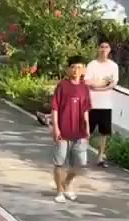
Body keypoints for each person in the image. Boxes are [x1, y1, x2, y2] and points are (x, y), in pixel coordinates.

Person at [51, 56, 91, 203]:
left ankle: (67, 183)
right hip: (63, 130)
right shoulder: (62, 86)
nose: (76, 70)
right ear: (69, 69)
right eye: (73, 67)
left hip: (79, 132)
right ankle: (59, 191)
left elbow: (86, 109)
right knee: (59, 163)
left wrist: (88, 127)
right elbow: (55, 108)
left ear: (84, 70)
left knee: (80, 162)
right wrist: (56, 128)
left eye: (79, 67)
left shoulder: (84, 88)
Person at [85, 42, 119, 168]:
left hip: (106, 104)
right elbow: (88, 81)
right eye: (101, 47)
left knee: (103, 133)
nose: (104, 49)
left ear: (109, 50)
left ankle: (100, 157)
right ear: (98, 49)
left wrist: (99, 86)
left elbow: (113, 83)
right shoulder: (92, 65)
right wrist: (103, 83)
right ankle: (83, 155)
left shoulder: (113, 66)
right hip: (92, 103)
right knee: (87, 131)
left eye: (106, 47)